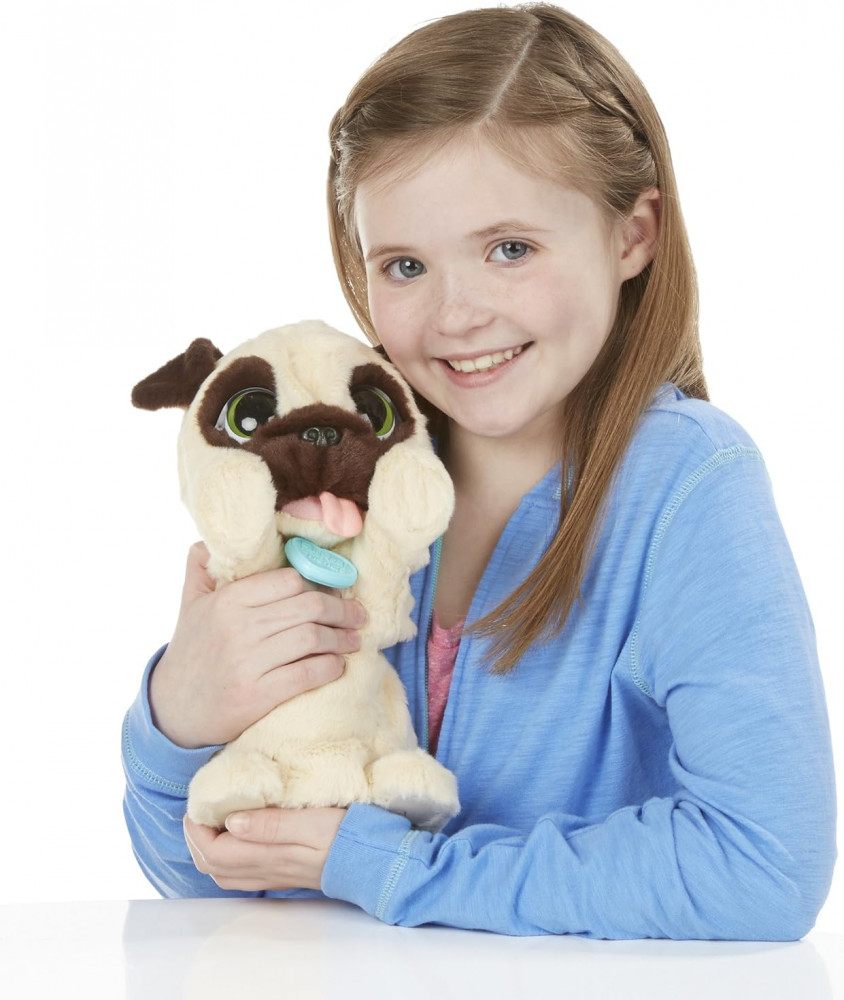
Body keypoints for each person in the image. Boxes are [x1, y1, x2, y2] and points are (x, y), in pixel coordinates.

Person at [122, 3, 837, 937]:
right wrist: (178, 718)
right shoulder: (347, 479)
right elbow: (208, 878)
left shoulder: (690, 487)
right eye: (405, 266)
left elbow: (763, 865)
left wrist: (379, 863)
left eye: (510, 249)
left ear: (633, 235)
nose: (456, 315)